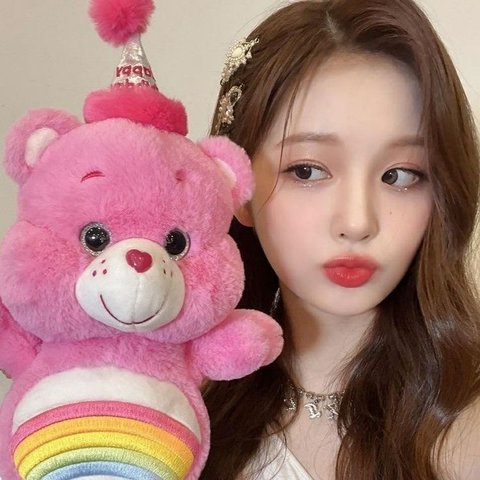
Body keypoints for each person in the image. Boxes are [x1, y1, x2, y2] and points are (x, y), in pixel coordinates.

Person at [200, 0, 480, 479]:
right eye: (308, 170)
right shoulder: (173, 406)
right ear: (236, 184)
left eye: (400, 175)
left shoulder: (467, 429)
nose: (357, 222)